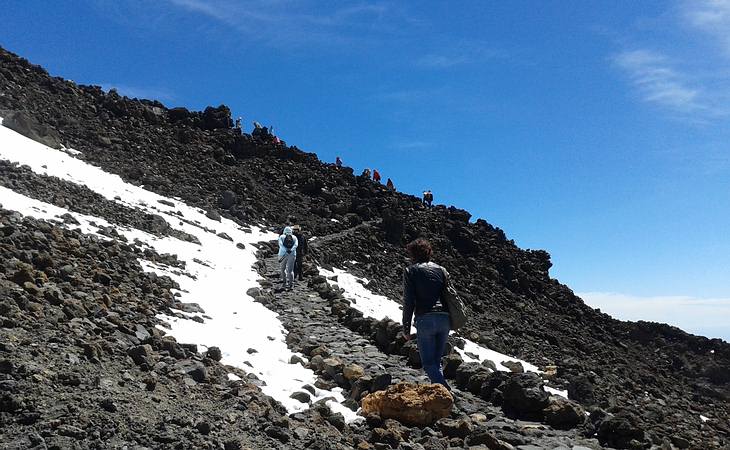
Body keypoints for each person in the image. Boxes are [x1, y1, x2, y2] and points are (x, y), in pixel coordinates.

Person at [402, 239, 451, 389]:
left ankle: (446, 391)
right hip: (444, 318)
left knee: (429, 363)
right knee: (437, 361)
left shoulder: (410, 271)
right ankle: (438, 396)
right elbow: (449, 295)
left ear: (412, 254)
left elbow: (409, 301)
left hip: (426, 319)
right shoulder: (441, 270)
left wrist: (406, 328)